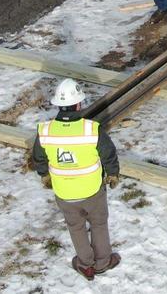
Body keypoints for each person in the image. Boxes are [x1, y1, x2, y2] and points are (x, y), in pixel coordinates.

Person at [32, 79, 121, 281]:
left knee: (76, 227)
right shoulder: (91, 129)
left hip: (64, 193)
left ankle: (85, 265)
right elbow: (109, 154)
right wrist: (113, 173)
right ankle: (103, 262)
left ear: (58, 105)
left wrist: (44, 175)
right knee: (98, 224)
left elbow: (38, 157)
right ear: (79, 104)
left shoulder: (45, 131)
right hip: (92, 191)